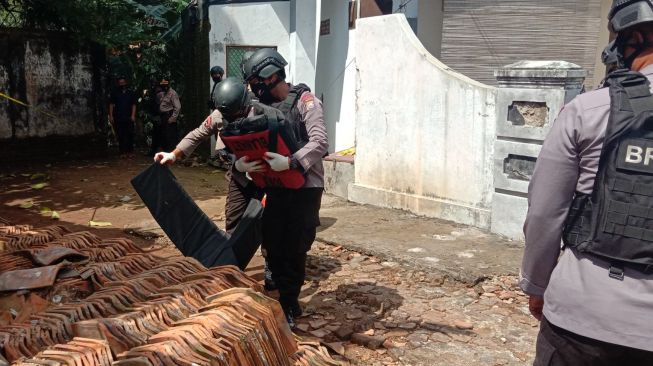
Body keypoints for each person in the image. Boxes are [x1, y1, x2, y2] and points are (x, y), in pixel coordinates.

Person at [522, 1, 653, 364]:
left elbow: (545, 213)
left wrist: (537, 285)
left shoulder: (589, 110)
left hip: (583, 320)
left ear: (635, 37)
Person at [242, 48, 328, 326]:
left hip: (305, 187)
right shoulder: (260, 107)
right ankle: (282, 296)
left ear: (270, 76)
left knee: (295, 246)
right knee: (273, 243)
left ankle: (290, 303)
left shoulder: (306, 101)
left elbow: (320, 142)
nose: (254, 89)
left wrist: (291, 161)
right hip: (277, 185)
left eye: (255, 82)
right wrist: (240, 163)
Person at [153, 77, 265, 233]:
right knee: (234, 219)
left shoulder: (263, 111)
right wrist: (173, 155)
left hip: (267, 173)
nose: (232, 118)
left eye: (236, 114)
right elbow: (198, 134)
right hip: (239, 172)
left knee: (268, 222)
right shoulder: (221, 114)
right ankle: (233, 254)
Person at [109, 76, 137, 158]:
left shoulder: (130, 93)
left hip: (129, 117)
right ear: (118, 84)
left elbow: (134, 104)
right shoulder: (115, 93)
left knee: (130, 134)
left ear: (126, 83)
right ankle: (122, 152)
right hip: (118, 116)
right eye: (120, 83)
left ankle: (130, 152)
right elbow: (111, 104)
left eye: (123, 82)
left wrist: (133, 115)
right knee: (121, 135)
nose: (122, 84)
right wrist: (111, 116)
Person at [158, 78, 181, 151]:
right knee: (164, 135)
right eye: (162, 85)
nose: (164, 87)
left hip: (169, 116)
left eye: (165, 85)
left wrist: (172, 118)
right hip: (163, 116)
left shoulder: (172, 93)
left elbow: (177, 107)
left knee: (170, 135)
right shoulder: (163, 93)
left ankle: (172, 152)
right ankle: (166, 152)